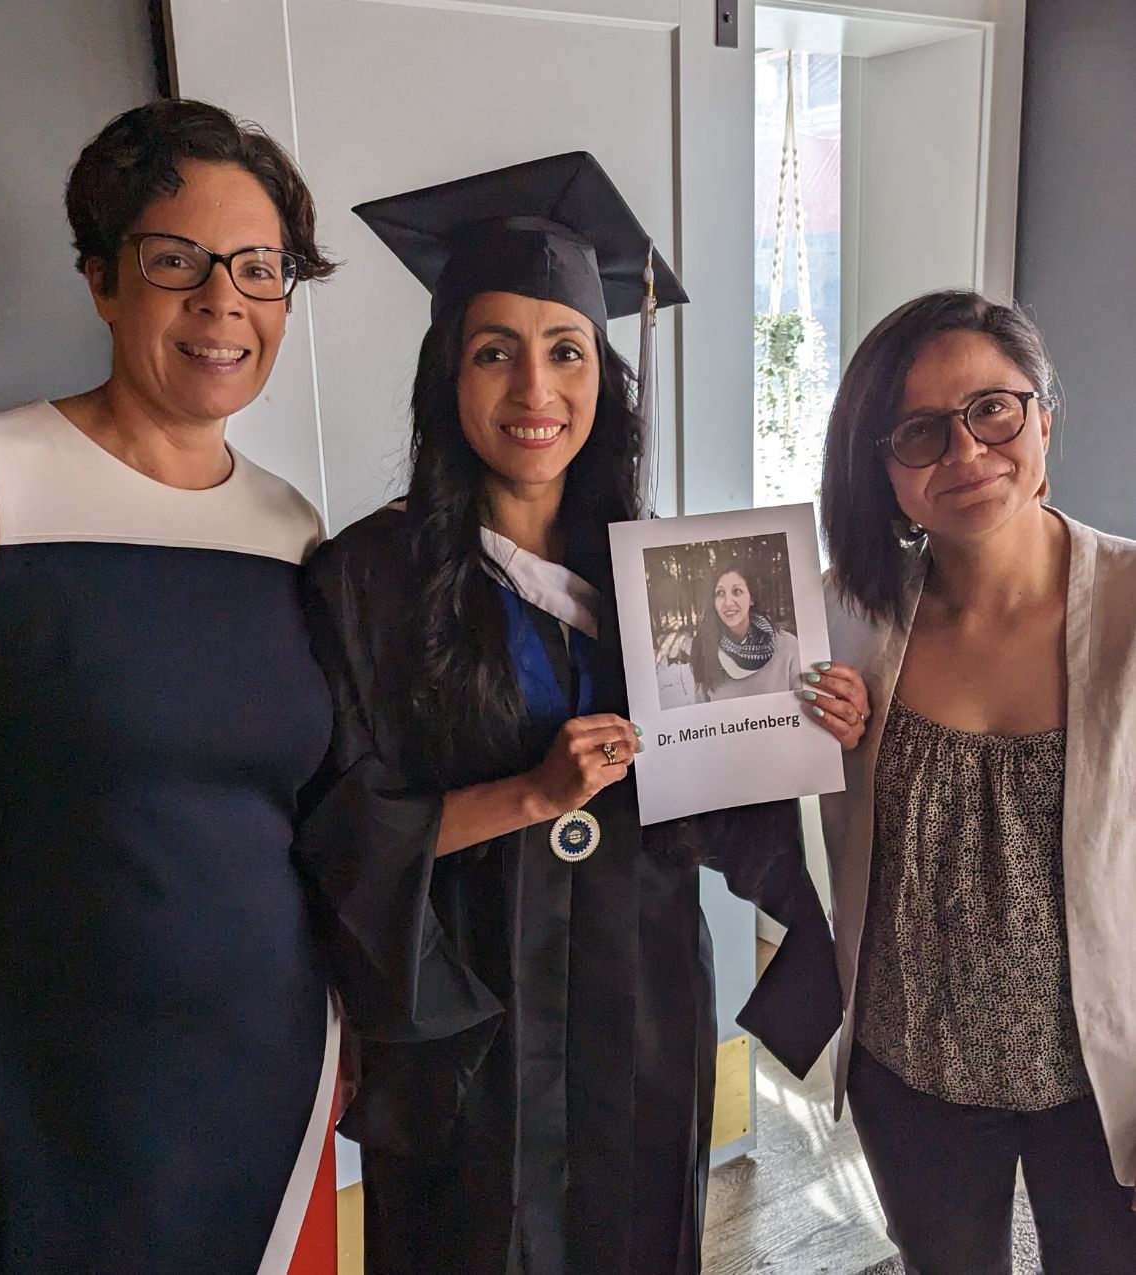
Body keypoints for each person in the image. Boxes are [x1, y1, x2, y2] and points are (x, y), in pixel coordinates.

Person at [294, 152, 849, 1275]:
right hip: (466, 1017)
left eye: (566, 353)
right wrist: (530, 796)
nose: (535, 392)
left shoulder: (679, 578)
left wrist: (809, 731)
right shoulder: (368, 579)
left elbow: (730, 816)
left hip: (639, 1000)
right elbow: (335, 833)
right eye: (494, 352)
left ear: (606, 374)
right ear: (447, 372)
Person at [0, 99, 340, 1273]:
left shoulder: (295, 529)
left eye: (260, 269)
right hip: (46, 1079)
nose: (223, 300)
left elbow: (314, 824)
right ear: (101, 276)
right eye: (177, 259)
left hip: (274, 1059)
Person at [818, 290, 1136, 1273]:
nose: (964, 454)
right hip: (912, 1068)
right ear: (881, 467)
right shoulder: (845, 621)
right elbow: (736, 765)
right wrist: (815, 740)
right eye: (919, 432)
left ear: (1043, 415)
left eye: (991, 410)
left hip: (1103, 1073)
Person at [688, 560, 802, 702]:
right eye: (720, 593)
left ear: (751, 598)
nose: (728, 602)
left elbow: (803, 710)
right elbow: (701, 716)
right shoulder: (705, 651)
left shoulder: (787, 646)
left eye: (737, 591)